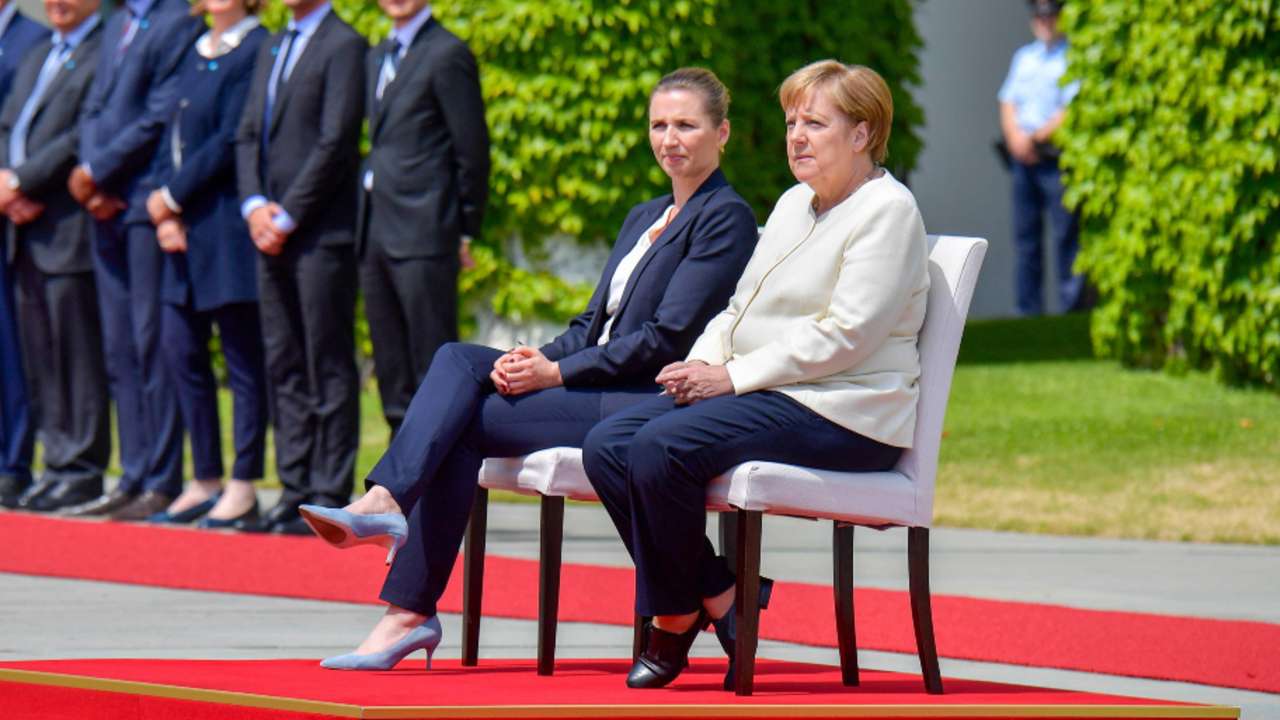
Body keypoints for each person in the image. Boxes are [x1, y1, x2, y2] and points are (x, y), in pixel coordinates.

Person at [297, 67, 759, 671]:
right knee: (457, 361)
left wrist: (556, 377)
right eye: (658, 124)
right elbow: (590, 324)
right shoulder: (644, 216)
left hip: (643, 399)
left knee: (458, 422)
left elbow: (661, 340)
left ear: (720, 133)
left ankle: (406, 603)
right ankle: (390, 525)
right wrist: (539, 358)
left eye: (686, 125)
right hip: (595, 381)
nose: (669, 138)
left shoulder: (724, 216)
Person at [582, 60, 930, 690]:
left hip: (844, 410)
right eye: (792, 121)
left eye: (815, 123)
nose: (796, 136)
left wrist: (732, 377)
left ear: (861, 134)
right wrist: (702, 364)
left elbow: (846, 335)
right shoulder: (796, 203)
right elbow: (740, 307)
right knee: (607, 445)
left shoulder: (888, 210)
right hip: (774, 390)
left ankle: (672, 617)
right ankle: (716, 594)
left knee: (660, 447)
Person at [64, 0, 204, 520]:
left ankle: (161, 478)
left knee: (151, 343)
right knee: (119, 345)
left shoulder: (176, 20)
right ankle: (134, 471)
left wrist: (101, 170)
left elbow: (160, 113)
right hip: (102, 203)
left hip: (141, 199)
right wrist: (87, 177)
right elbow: (93, 108)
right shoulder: (117, 20)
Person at [234, 0, 366, 535]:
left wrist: (286, 215)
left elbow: (337, 141)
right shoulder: (271, 43)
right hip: (269, 231)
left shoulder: (344, 43)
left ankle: (326, 490)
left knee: (326, 360)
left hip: (318, 233)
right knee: (283, 360)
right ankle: (291, 488)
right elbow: (246, 135)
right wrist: (253, 206)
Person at [142, 0, 269, 527]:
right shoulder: (192, 48)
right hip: (181, 230)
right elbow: (167, 134)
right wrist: (163, 210)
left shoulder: (255, 48)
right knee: (182, 353)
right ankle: (205, 479)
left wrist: (172, 195)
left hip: (226, 229)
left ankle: (243, 484)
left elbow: (229, 141)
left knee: (241, 362)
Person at [358, 0, 488, 440]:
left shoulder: (448, 52)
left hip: (426, 229)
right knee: (391, 364)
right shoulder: (377, 55)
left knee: (431, 361)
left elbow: (471, 149)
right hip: (374, 228)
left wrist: (465, 228)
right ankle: (398, 477)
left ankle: (438, 474)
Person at [0, 0, 105, 512]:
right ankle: (58, 462)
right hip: (23, 225)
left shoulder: (99, 51)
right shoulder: (41, 51)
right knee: (40, 352)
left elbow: (77, 137)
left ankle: (82, 467)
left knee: (74, 351)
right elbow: (8, 126)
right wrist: (5, 182)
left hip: (65, 223)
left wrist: (21, 181)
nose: (57, 4)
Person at [999, 0, 1082, 316]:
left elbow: (1069, 109)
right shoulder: (1024, 57)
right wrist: (1016, 139)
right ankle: (1027, 312)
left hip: (1055, 158)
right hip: (1024, 159)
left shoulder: (1071, 57)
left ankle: (1069, 310)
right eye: (1040, 16)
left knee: (1066, 237)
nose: (1045, 21)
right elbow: (1008, 101)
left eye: (1051, 16)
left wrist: (1034, 138)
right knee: (1026, 239)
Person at [0, 0, 50, 509]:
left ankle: (11, 463)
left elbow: (15, 130)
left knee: (10, 349)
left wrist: (13, 184)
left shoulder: (29, 39)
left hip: (12, 209)